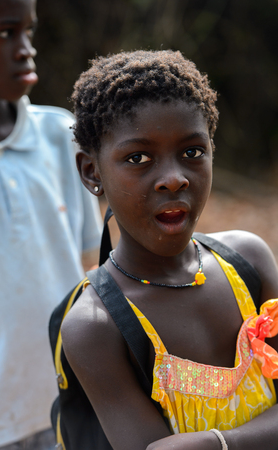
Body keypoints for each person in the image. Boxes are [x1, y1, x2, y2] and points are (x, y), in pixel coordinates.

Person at [61, 50, 278, 450]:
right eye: (138, 158)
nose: (174, 179)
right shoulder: (96, 327)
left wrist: (215, 444)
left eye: (192, 152)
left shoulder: (250, 262)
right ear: (93, 172)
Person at [0, 0, 102, 448]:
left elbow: (92, 271)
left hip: (75, 405)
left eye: (29, 32)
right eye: (6, 33)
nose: (26, 49)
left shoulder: (60, 138)